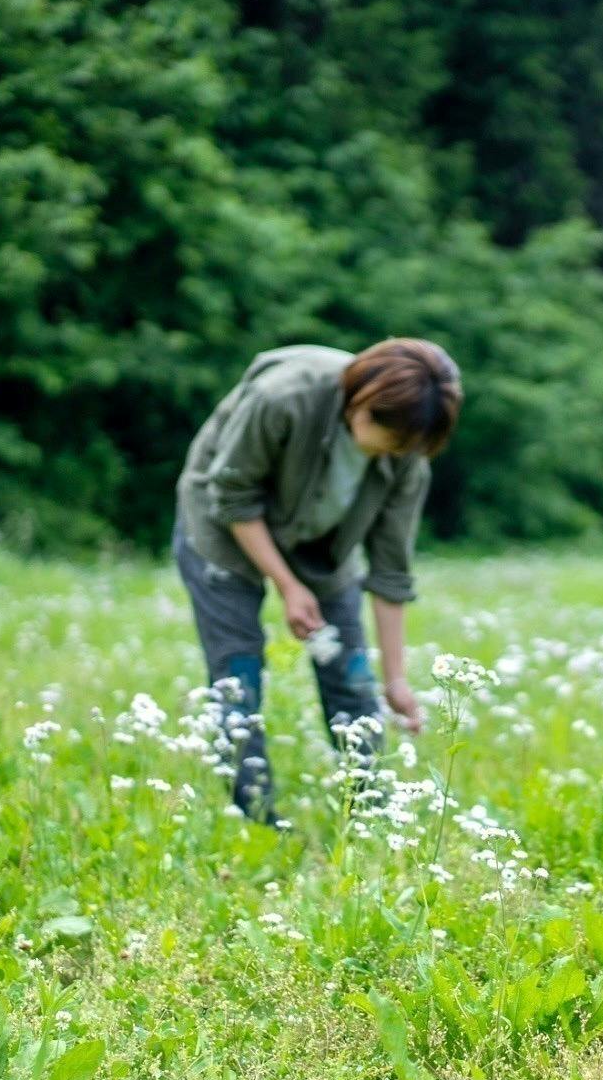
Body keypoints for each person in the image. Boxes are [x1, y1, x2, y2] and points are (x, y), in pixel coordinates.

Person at [173, 338, 460, 823]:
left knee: (352, 674)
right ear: (362, 398)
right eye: (383, 432)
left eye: (404, 444)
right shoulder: (283, 396)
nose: (387, 449)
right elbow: (234, 496)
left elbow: (390, 571)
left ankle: (371, 815)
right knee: (237, 672)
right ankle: (254, 816)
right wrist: (287, 586)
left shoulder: (408, 452)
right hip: (224, 524)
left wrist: (395, 680)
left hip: (323, 543)